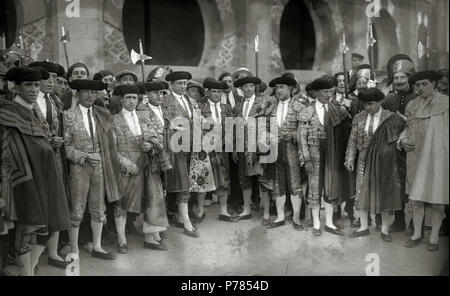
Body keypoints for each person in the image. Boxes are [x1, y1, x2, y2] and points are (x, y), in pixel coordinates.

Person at [1, 67, 70, 275]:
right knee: (27, 227)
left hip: (44, 176)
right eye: (28, 85)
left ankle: (29, 270)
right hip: (20, 180)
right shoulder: (8, 113)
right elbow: (7, 149)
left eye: (36, 85)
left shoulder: (36, 112)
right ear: (15, 87)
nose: (33, 90)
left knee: (48, 226)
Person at [63, 79, 121, 260]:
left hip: (100, 165)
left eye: (93, 92)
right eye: (86, 91)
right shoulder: (68, 115)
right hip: (79, 167)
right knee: (77, 209)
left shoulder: (101, 114)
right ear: (77, 93)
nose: (89, 95)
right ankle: (74, 249)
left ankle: (97, 245)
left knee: (98, 207)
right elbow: (66, 147)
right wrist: (84, 156)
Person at [112, 84, 171, 252]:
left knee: (149, 200)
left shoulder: (144, 117)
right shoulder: (114, 119)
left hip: (146, 164)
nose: (132, 101)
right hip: (126, 168)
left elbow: (158, 139)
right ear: (121, 99)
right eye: (128, 98)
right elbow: (111, 149)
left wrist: (150, 145)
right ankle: (122, 240)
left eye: (135, 98)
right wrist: (125, 163)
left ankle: (149, 238)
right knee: (121, 204)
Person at [345, 88, 405, 242]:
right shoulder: (359, 117)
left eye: (371, 104)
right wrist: (350, 159)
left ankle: (385, 229)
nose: (367, 107)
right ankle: (364, 227)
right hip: (363, 160)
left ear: (380, 102)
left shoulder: (392, 118)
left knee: (384, 193)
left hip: (384, 162)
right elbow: (352, 141)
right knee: (361, 193)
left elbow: (401, 139)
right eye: (365, 104)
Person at [399, 71, 449, 251]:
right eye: (417, 85)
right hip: (415, 156)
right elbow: (406, 127)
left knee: (437, 198)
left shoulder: (445, 103)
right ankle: (417, 234)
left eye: (425, 84)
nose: (420, 88)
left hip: (438, 157)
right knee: (416, 197)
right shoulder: (412, 105)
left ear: (434, 84)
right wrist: (402, 140)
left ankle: (434, 237)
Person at [298, 77, 353, 236]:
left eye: (330, 91)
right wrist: (306, 158)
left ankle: (328, 222)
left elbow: (348, 125)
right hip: (314, 153)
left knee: (331, 187)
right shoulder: (307, 110)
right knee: (315, 188)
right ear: (316, 93)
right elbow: (302, 137)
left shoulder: (338, 108)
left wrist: (350, 109)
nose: (329, 94)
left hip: (333, 153)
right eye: (325, 92)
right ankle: (316, 223)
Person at [28, 61, 70, 269]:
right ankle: (29, 260)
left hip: (55, 159)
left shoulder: (55, 101)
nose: (52, 82)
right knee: (37, 207)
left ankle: (52, 253)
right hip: (34, 161)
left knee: (56, 204)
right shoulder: (29, 102)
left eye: (54, 78)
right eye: (47, 78)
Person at [381, 54, 416, 234]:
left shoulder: (416, 97)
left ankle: (414, 224)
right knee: (398, 185)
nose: (399, 81)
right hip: (394, 148)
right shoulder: (390, 98)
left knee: (413, 186)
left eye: (403, 77)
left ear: (409, 78)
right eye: (396, 78)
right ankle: (400, 221)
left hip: (413, 148)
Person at [162, 71, 200, 237]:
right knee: (181, 183)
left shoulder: (188, 99)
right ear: (171, 85)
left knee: (185, 182)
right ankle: (185, 220)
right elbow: (168, 124)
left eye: (185, 83)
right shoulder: (165, 101)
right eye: (179, 83)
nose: (183, 86)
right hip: (174, 146)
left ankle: (180, 216)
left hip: (189, 145)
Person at [266, 74, 305, 229]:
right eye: (276, 88)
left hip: (292, 150)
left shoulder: (299, 107)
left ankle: (296, 218)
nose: (278, 90)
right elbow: (265, 129)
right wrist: (268, 136)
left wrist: (294, 134)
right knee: (278, 184)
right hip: (275, 150)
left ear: (291, 89)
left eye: (281, 87)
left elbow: (305, 131)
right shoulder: (271, 107)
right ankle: (280, 217)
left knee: (295, 183)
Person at [232, 75, 275, 220]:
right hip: (242, 147)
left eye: (251, 86)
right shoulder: (238, 105)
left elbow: (269, 124)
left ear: (255, 87)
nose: (249, 89)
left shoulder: (264, 102)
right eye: (246, 86)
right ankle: (247, 209)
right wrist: (234, 149)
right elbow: (235, 128)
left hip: (258, 147)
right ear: (241, 89)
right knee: (244, 178)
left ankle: (266, 212)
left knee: (263, 179)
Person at [200, 77, 237, 222]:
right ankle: (200, 211)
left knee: (224, 178)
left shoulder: (226, 108)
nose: (216, 94)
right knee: (202, 178)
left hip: (222, 149)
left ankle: (223, 211)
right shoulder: (200, 107)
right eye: (213, 91)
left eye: (219, 92)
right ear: (207, 92)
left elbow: (232, 129)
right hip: (205, 150)